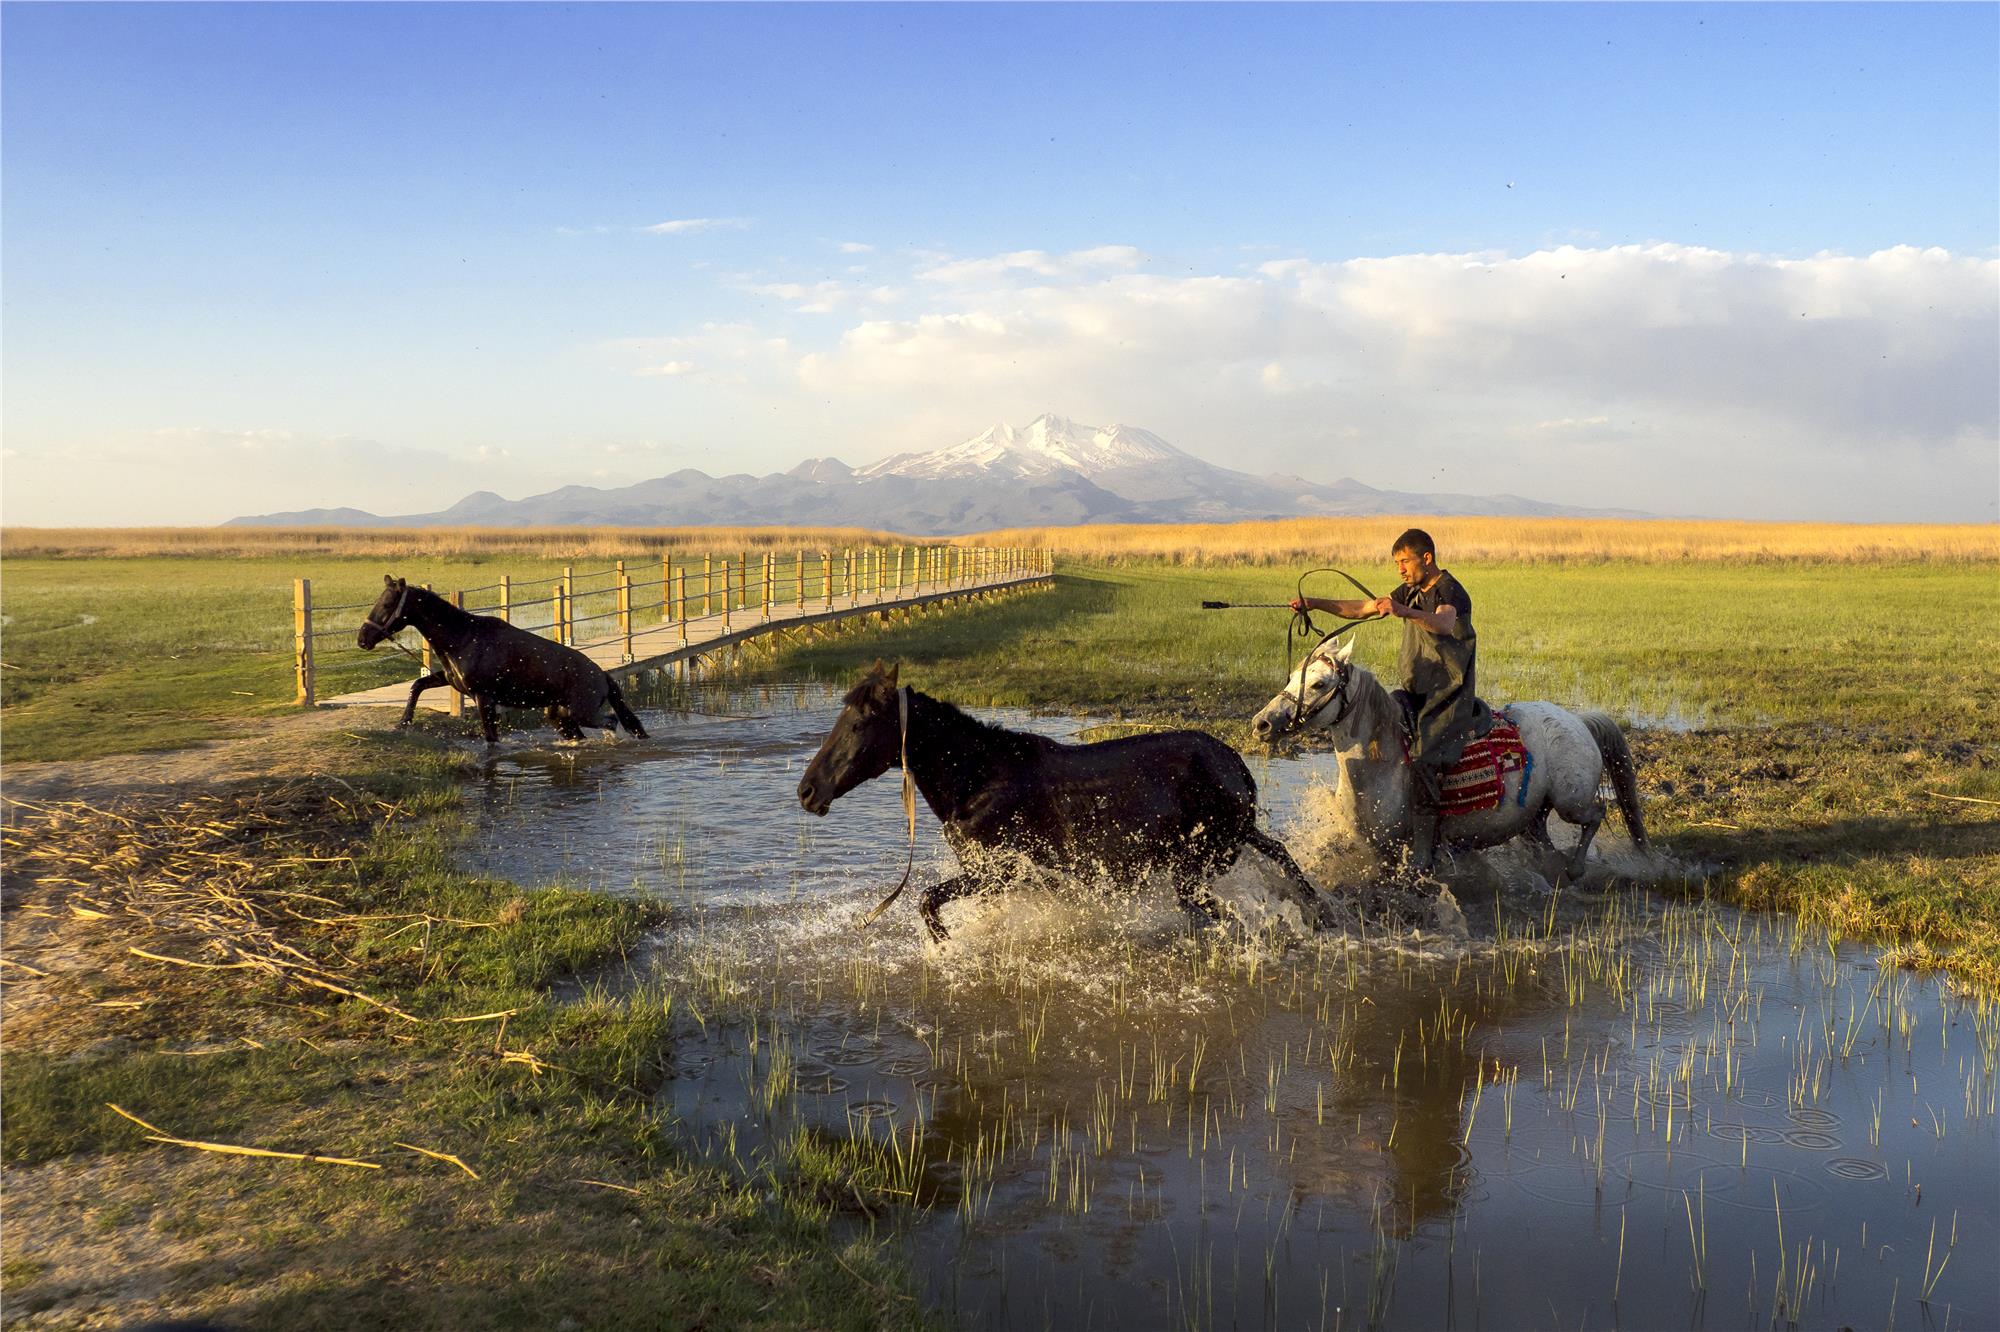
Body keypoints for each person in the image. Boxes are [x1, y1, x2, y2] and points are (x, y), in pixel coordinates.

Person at [1290, 528, 1489, 877]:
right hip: (1413, 692)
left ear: (1427, 558)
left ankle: (1423, 855)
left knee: (1425, 760)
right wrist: (1315, 604)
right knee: (1379, 727)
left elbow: (1443, 624)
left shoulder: (1449, 589)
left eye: (1405, 561)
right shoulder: (1410, 590)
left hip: (1446, 697)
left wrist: (1402, 610)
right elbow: (1361, 609)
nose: (1400, 569)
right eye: (1397, 563)